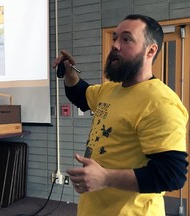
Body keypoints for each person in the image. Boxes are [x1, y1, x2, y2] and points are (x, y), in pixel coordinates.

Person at [53, 14, 188, 215]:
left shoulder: (160, 102)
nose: (115, 45)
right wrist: (70, 72)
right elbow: (81, 94)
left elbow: (171, 174)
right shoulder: (111, 90)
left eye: (126, 39)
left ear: (150, 50)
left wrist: (106, 177)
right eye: (115, 38)